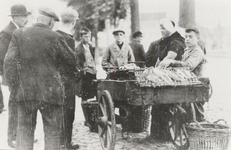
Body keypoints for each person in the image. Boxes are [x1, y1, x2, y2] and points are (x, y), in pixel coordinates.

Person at [4, 6, 77, 150]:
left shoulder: (19, 34)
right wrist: (60, 79)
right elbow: (72, 62)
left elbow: (8, 62)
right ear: (50, 22)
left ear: (38, 19)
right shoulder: (56, 36)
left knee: (24, 133)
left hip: (25, 94)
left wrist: (16, 85)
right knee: (52, 134)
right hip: (51, 94)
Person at [145, 18, 186, 141]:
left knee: (163, 105)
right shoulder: (165, 40)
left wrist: (157, 70)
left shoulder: (176, 41)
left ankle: (163, 136)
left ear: (170, 29)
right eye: (160, 28)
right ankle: (158, 135)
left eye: (163, 28)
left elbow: (168, 58)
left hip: (174, 75)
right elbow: (159, 58)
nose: (161, 31)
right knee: (159, 105)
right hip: (164, 74)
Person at [159, 27, 206, 121]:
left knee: (196, 116)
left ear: (197, 38)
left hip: (196, 85)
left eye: (190, 37)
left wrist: (172, 62)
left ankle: (196, 132)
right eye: (186, 37)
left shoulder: (197, 51)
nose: (187, 39)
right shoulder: (187, 50)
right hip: (188, 83)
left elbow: (189, 66)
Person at [0, 4, 30, 148]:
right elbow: (4, 57)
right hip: (14, 78)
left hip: (22, 77)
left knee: (22, 107)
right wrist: (11, 78)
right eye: (24, 16)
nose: (26, 19)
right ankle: (11, 138)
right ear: (16, 17)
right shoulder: (7, 32)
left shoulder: (19, 30)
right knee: (14, 107)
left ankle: (21, 137)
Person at [56, 8, 80, 149]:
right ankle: (66, 143)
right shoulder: (67, 38)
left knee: (59, 113)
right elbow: (71, 61)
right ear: (73, 22)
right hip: (67, 82)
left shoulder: (55, 35)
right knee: (68, 113)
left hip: (56, 80)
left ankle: (61, 142)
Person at [75, 27, 97, 130]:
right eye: (85, 36)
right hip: (84, 75)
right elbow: (76, 63)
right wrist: (82, 69)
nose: (88, 38)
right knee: (85, 97)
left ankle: (92, 119)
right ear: (81, 37)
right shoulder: (78, 49)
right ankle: (87, 120)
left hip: (92, 74)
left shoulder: (91, 47)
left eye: (89, 36)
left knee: (93, 96)